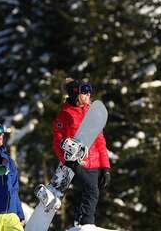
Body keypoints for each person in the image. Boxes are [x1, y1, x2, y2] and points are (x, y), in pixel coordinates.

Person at [53, 78, 111, 228]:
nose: (88, 95)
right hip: (77, 161)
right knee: (92, 191)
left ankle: (81, 223)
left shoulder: (92, 113)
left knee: (91, 193)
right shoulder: (65, 114)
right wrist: (66, 161)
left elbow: (100, 140)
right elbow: (57, 140)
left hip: (95, 163)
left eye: (89, 92)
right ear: (75, 94)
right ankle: (86, 224)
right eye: (84, 92)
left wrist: (105, 167)